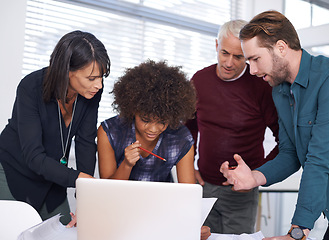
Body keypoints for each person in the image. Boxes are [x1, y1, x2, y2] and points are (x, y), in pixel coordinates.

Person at [220, 10, 329, 240]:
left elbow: (319, 159)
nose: (253, 70)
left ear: (280, 47)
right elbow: (291, 154)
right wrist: (255, 177)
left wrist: (297, 231)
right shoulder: (279, 90)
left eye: (255, 59)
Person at [0, 30, 111, 225]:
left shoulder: (90, 93)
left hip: (52, 176)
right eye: (92, 78)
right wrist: (78, 178)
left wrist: (85, 198)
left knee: (67, 231)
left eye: (101, 77)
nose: (99, 85)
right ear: (67, 72)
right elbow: (33, 157)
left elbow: (85, 142)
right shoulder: (31, 87)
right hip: (14, 170)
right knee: (17, 230)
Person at [97, 60, 211, 240]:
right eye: (146, 119)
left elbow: (188, 196)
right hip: (119, 214)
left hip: (162, 215)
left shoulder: (181, 138)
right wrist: (126, 164)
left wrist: (192, 227)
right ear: (132, 109)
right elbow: (108, 193)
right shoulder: (110, 131)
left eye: (162, 122)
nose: (153, 129)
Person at [185, 20, 279, 234]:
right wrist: (189, 165)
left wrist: (257, 174)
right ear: (217, 45)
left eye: (238, 57)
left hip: (241, 193)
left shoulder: (261, 85)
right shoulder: (199, 80)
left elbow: (285, 140)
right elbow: (188, 128)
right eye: (224, 53)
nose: (228, 62)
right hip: (204, 186)